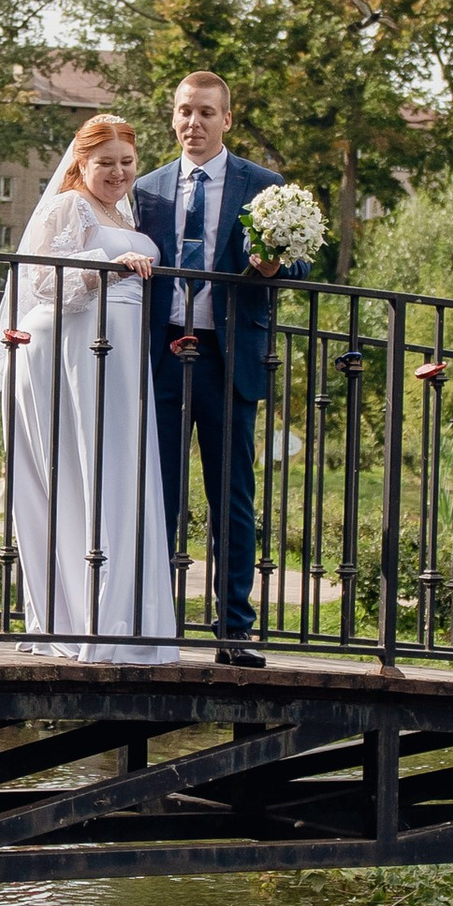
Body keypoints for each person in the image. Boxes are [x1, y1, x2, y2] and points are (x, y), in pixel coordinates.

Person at [0, 117, 177, 663]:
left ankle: (122, 620)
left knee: (120, 475)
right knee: (82, 474)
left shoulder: (126, 213)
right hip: (76, 349)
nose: (118, 172)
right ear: (81, 163)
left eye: (127, 162)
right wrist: (107, 267)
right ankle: (82, 619)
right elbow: (41, 280)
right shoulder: (69, 206)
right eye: (105, 162)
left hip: (122, 352)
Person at [131, 72, 300, 667]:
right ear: (173, 117)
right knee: (157, 494)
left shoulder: (265, 186)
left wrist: (274, 265)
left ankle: (234, 630)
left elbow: (301, 264)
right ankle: (152, 625)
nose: (193, 123)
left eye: (206, 112)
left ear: (227, 119)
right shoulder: (146, 190)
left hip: (228, 359)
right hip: (161, 355)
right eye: (184, 111)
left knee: (232, 498)